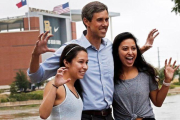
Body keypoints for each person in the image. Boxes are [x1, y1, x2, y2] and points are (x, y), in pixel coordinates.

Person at [27, 1, 158, 120]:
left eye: (106, 19)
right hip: (86, 116)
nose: (105, 24)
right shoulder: (72, 49)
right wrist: (35, 55)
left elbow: (126, 57)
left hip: (109, 115)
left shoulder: (110, 48)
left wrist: (142, 49)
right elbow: (35, 77)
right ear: (86, 21)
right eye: (100, 20)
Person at [112, 32, 179, 120]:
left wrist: (167, 80)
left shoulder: (146, 72)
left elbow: (158, 102)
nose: (130, 52)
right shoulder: (110, 75)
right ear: (116, 52)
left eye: (133, 48)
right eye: (125, 49)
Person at [39, 44, 88, 119]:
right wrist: (55, 86)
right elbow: (43, 114)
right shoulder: (55, 85)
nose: (85, 67)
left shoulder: (73, 87)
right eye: (81, 62)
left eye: (86, 62)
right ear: (66, 63)